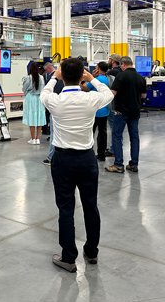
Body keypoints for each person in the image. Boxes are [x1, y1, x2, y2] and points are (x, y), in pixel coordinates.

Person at [40, 58, 113, 273]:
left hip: (63, 160)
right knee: (90, 206)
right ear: (82, 75)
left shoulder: (55, 100)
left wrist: (54, 77)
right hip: (86, 160)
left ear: (62, 75)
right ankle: (91, 251)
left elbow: (44, 92)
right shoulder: (91, 99)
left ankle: (68, 257)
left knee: (66, 209)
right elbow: (108, 93)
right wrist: (92, 79)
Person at [105, 56, 147, 174]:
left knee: (117, 136)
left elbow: (113, 93)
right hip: (135, 111)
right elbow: (143, 96)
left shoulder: (121, 76)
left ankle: (118, 164)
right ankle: (134, 164)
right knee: (134, 137)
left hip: (121, 111)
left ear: (123, 64)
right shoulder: (141, 78)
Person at [81, 61, 110, 161]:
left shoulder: (96, 79)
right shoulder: (107, 79)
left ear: (98, 69)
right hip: (105, 110)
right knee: (103, 133)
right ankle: (101, 154)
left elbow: (84, 87)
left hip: (94, 111)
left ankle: (89, 153)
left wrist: (91, 77)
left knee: (90, 133)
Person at [22, 62, 46, 144]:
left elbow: (24, 89)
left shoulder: (27, 78)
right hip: (39, 98)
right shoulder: (41, 78)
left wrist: (27, 94)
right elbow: (43, 89)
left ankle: (32, 139)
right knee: (39, 117)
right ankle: (37, 138)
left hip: (30, 98)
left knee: (31, 117)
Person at [42, 62, 55, 135]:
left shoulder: (53, 76)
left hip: (52, 99)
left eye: (46, 70)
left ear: (49, 68)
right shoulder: (51, 75)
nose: (45, 71)